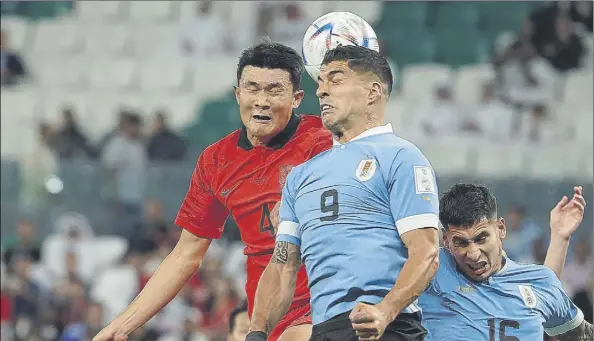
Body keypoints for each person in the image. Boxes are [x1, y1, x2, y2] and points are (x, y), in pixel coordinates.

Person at [92, 42, 333, 341]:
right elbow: (185, 255)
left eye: (274, 90)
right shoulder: (216, 161)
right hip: (266, 317)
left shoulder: (324, 141)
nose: (261, 101)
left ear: (296, 98)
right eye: (252, 88)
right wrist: (122, 326)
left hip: (327, 305)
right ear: (237, 94)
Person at [247, 45, 439, 341]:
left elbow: (426, 252)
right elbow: (283, 264)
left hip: (384, 327)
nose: (321, 91)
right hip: (324, 331)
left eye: (335, 80)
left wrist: (385, 312)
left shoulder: (402, 157)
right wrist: (257, 332)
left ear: (373, 92)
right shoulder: (300, 177)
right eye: (320, 82)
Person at [420, 184, 592, 341]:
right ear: (446, 240)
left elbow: (580, 334)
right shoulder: (432, 270)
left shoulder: (540, 281)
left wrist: (560, 237)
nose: (473, 254)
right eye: (461, 242)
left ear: (501, 228)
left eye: (482, 238)